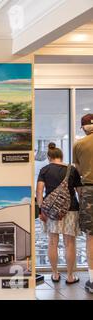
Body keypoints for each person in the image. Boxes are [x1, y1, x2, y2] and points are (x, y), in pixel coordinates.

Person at [37, 142, 82, 284]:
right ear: (61, 156)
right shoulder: (72, 170)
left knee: (52, 243)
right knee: (69, 243)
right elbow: (79, 191)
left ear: (49, 157)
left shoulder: (44, 170)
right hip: (71, 209)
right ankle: (70, 277)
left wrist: (41, 209)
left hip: (51, 212)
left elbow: (39, 191)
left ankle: (55, 274)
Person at [73, 113, 93, 293]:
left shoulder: (79, 144)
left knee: (91, 237)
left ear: (84, 127)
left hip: (89, 190)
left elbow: (77, 170)